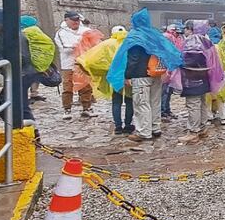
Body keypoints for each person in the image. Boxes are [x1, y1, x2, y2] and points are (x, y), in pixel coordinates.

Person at [108, 8, 182, 143]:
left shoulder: (135, 36)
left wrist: (127, 76)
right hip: (156, 74)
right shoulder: (154, 35)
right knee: (155, 102)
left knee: (142, 104)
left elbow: (133, 59)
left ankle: (144, 132)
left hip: (140, 76)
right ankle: (155, 128)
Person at [0, 8, 38, 122]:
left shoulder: (13, 37)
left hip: (22, 74)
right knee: (14, 106)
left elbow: (20, 58)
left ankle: (29, 134)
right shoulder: (2, 35)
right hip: (18, 74)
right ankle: (25, 133)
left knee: (14, 107)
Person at [172, 29, 225, 143]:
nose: (185, 31)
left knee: (193, 105)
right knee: (202, 103)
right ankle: (202, 128)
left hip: (191, 79)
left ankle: (193, 131)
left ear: (191, 29)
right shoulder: (207, 42)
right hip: (204, 78)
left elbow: (184, 60)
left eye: (186, 29)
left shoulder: (191, 43)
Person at [77, 26, 133, 135]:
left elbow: (92, 59)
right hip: (128, 76)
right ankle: (127, 125)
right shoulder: (129, 44)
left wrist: (103, 68)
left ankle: (118, 127)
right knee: (129, 101)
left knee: (116, 102)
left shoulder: (107, 44)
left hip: (113, 77)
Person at [54, 11, 93, 120]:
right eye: (73, 20)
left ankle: (87, 108)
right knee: (68, 86)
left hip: (83, 63)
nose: (76, 22)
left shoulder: (86, 31)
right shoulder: (61, 33)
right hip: (68, 64)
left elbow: (93, 44)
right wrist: (80, 45)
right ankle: (67, 109)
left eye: (77, 20)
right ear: (66, 20)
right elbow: (64, 48)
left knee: (85, 86)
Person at [160, 24, 183, 120]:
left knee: (168, 92)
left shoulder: (177, 38)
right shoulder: (167, 37)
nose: (177, 34)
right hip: (166, 69)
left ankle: (166, 110)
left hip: (172, 69)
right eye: (175, 31)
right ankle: (163, 111)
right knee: (164, 91)